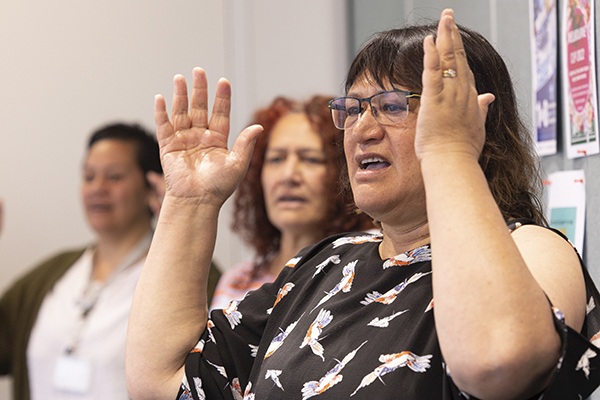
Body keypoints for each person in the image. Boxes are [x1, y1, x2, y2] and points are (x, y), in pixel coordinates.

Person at [126, 9, 600, 399]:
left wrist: (452, 154)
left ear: (474, 121)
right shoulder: (326, 264)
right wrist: (190, 202)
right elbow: (161, 383)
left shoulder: (532, 249)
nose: (362, 129)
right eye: (352, 109)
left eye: (393, 106)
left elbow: (496, 362)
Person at [0, 123, 221, 400]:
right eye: (89, 176)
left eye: (114, 177)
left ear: (152, 186)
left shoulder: (192, 275)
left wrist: (181, 221)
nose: (97, 188)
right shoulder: (50, 274)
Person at [210, 96, 374, 310]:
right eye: (276, 159)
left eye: (311, 159)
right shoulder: (236, 280)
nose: (288, 176)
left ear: (344, 172)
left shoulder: (368, 267)